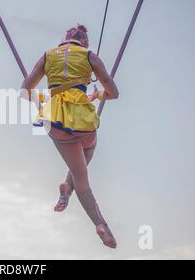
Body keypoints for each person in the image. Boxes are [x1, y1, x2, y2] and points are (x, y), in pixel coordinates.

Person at [21, 24, 119, 249]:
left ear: (64, 40)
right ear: (85, 42)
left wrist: (46, 100)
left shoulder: (47, 56)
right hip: (83, 122)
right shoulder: (90, 56)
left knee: (80, 172)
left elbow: (24, 91)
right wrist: (97, 93)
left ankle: (87, 210)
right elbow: (114, 94)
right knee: (86, 158)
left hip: (55, 120)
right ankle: (74, 194)